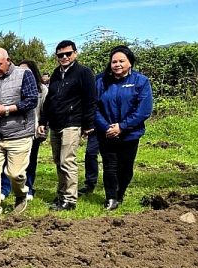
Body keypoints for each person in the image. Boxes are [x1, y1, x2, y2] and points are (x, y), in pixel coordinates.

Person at [0, 48, 39, 218]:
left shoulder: (24, 74)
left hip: (19, 134)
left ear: (8, 60)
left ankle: (21, 195)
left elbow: (32, 100)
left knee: (15, 174)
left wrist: (7, 109)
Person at [38, 40, 96, 211]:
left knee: (67, 161)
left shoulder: (84, 73)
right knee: (58, 161)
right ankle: (62, 194)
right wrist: (43, 121)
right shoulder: (56, 73)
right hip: (55, 123)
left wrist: (88, 124)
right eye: (60, 55)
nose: (64, 57)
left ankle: (70, 199)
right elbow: (50, 100)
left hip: (73, 122)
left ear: (75, 54)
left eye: (68, 54)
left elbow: (90, 100)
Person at [95, 45, 153, 211]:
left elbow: (144, 110)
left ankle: (120, 193)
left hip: (130, 134)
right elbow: (93, 106)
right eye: (114, 61)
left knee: (125, 167)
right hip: (106, 133)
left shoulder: (140, 81)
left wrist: (122, 127)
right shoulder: (100, 81)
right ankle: (111, 198)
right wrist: (106, 127)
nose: (117, 64)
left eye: (121, 61)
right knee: (109, 166)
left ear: (130, 63)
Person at [0, 60, 48, 201]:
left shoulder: (42, 90)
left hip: (34, 131)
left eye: (26, 72)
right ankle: (5, 188)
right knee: (7, 162)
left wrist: (43, 126)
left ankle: (29, 187)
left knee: (30, 161)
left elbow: (45, 109)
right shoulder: (13, 88)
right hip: (14, 130)